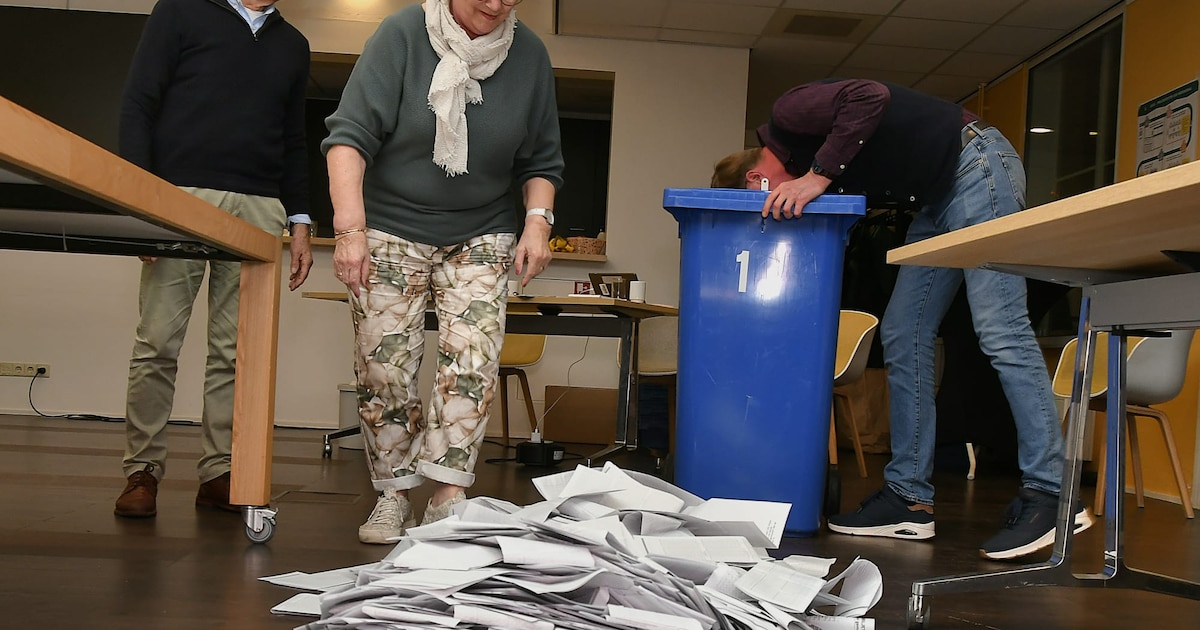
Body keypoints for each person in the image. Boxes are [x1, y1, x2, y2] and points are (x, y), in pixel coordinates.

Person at [711, 79, 1093, 560]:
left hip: (976, 166)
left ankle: (1052, 492)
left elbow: (870, 95)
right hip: (936, 200)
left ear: (755, 182)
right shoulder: (819, 163)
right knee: (902, 333)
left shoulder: (788, 112)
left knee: (1001, 328)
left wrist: (819, 176)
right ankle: (908, 499)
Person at [322, 0, 563, 544]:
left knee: (473, 360)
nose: (496, 4)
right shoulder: (403, 35)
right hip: (388, 223)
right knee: (383, 362)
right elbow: (349, 136)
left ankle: (448, 498)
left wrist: (538, 224)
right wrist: (350, 230)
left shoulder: (529, 56)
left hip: (482, 229)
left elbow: (542, 160)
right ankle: (392, 494)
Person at [114, 0, 313, 518]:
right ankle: (143, 471)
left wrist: (300, 218)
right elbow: (139, 101)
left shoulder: (293, 45)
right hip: (177, 198)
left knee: (235, 352)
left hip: (259, 206)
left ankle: (220, 472)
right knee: (157, 341)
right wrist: (138, 203)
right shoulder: (180, 11)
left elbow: (295, 139)